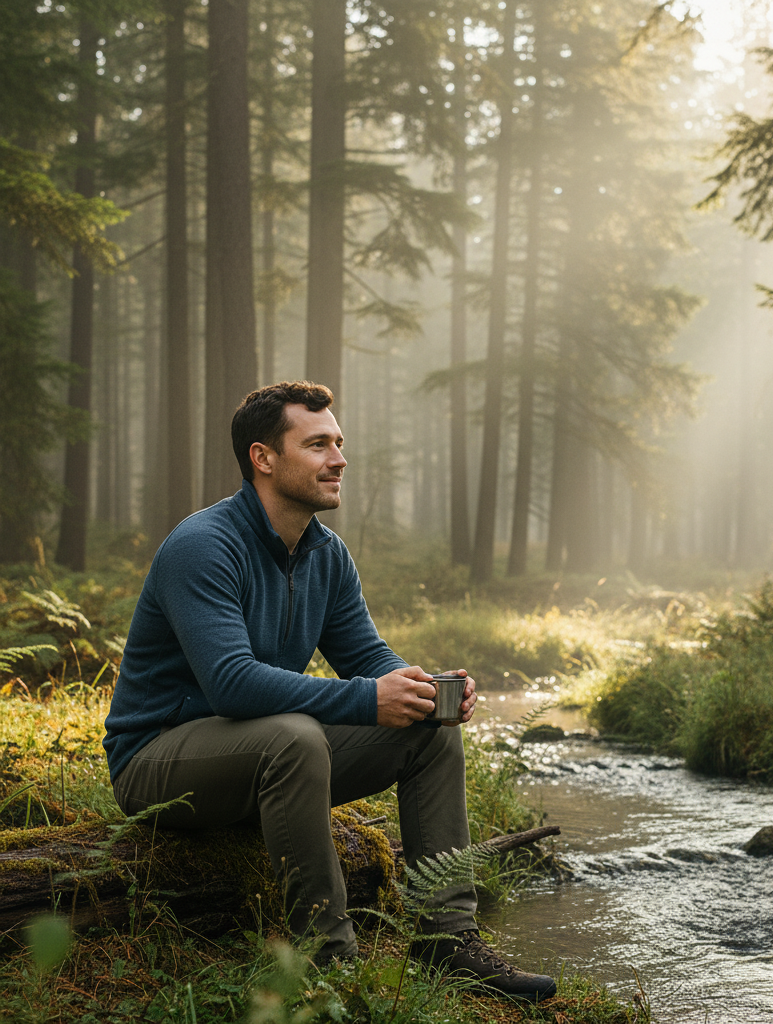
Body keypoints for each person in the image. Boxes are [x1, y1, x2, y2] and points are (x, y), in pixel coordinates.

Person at [103, 380, 556, 1002]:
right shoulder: (203, 545)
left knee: (427, 733)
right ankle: (330, 964)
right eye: (318, 445)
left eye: (338, 443)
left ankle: (448, 940)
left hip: (258, 755)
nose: (339, 459)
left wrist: (421, 690)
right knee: (293, 738)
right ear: (264, 458)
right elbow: (232, 683)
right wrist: (369, 700)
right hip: (158, 760)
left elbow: (365, 656)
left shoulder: (326, 553)